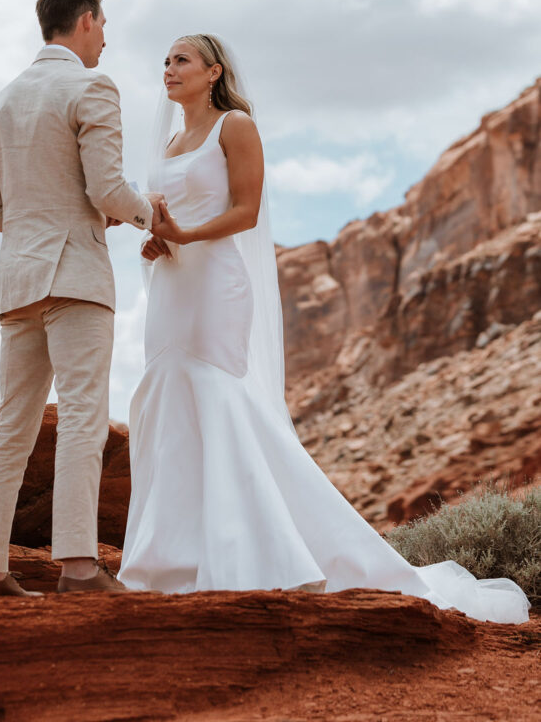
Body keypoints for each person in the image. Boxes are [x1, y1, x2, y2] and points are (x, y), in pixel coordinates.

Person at [117, 33, 531, 625]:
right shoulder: (170, 140)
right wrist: (160, 240)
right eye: (165, 60)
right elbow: (163, 215)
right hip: (173, 287)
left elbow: (246, 211)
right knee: (171, 401)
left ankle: (258, 554)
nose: (168, 68)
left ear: (212, 72)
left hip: (216, 286)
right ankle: (177, 560)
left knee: (218, 396)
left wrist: (184, 235)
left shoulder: (234, 126)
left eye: (181, 59)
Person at [0, 0, 163, 600]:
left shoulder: (0, 101)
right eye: (103, 24)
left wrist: (42, 216)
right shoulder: (91, 86)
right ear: (84, 21)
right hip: (74, 274)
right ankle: (79, 568)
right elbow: (108, 189)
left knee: (10, 424)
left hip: (17, 279)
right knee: (83, 417)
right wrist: (149, 214)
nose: (105, 37)